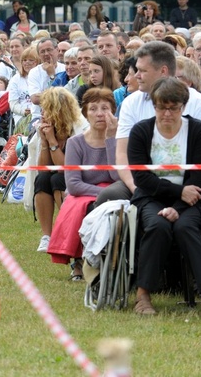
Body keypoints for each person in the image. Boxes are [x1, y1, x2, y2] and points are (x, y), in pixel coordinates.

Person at [128, 77, 201, 316]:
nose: (167, 113)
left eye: (174, 107)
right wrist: (178, 192)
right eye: (162, 107)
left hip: (193, 196)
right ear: (154, 106)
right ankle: (143, 295)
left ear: (183, 106)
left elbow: (198, 178)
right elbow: (141, 179)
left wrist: (179, 206)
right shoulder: (141, 131)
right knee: (157, 225)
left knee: (186, 227)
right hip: (151, 196)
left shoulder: (198, 130)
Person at [107, 41, 201, 205]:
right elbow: (122, 154)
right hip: (141, 183)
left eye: (142, 71)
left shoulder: (198, 102)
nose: (136, 75)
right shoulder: (131, 103)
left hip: (188, 186)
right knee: (107, 196)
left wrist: (181, 195)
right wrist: (137, 189)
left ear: (163, 71)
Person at [47, 88, 119, 277]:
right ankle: (78, 261)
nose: (100, 114)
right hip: (83, 192)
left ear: (113, 111)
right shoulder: (75, 143)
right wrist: (102, 193)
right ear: (86, 113)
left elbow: (117, 176)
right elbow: (73, 184)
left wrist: (110, 139)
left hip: (113, 189)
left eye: (105, 108)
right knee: (78, 205)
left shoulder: (120, 141)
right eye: (93, 109)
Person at [34, 87, 90, 253]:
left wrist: (52, 141)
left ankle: (66, 229)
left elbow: (67, 168)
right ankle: (47, 236)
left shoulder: (79, 128)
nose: (43, 113)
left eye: (47, 109)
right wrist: (45, 142)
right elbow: (42, 168)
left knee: (58, 180)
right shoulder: (46, 127)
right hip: (58, 173)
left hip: (82, 176)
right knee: (43, 179)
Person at [27, 38, 66, 122]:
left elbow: (69, 96)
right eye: (42, 51)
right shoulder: (34, 72)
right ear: (38, 54)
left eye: (49, 50)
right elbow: (35, 99)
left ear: (57, 50)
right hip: (39, 117)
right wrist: (52, 77)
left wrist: (52, 75)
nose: (46, 54)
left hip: (64, 114)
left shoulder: (65, 68)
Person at [8, 46, 39, 126]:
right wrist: (24, 111)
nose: (27, 63)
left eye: (31, 60)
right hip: (22, 117)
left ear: (38, 62)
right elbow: (13, 104)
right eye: (24, 60)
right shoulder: (15, 79)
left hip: (40, 114)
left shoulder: (42, 77)